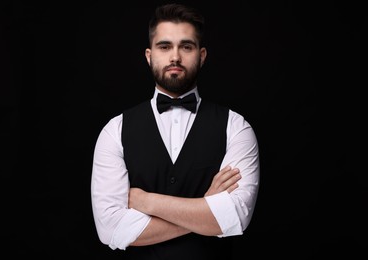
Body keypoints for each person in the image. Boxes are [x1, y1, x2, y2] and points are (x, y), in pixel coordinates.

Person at [91, 3, 260, 260]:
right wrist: (205, 207)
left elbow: (235, 217)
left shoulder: (236, 127)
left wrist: (146, 202)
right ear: (149, 55)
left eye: (186, 46)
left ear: (202, 55)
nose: (175, 57)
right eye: (165, 46)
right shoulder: (115, 130)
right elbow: (111, 229)